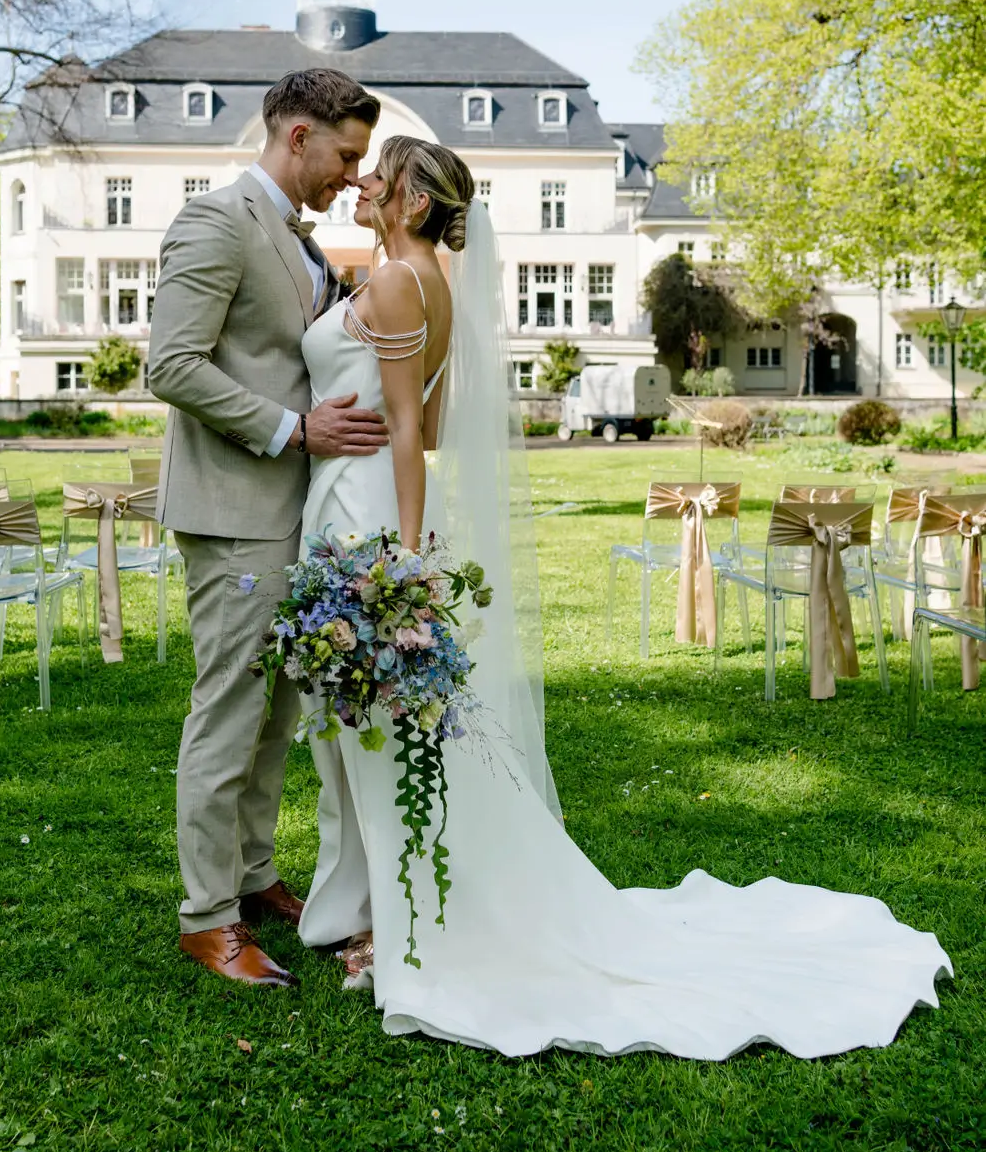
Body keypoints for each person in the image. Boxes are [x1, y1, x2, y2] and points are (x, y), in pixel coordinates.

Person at [295, 134, 951, 1059]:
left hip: (370, 513)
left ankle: (398, 921)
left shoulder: (401, 283)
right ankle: (379, 907)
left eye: (379, 175)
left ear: (408, 201)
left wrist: (404, 559)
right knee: (384, 725)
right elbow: (428, 411)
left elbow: (410, 429)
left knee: (386, 726)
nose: (361, 183)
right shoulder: (417, 280)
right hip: (353, 498)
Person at [147, 68, 388, 988]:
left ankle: (250, 879)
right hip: (235, 512)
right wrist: (293, 430)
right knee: (228, 716)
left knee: (275, 716)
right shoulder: (217, 221)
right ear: (296, 136)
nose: (349, 174)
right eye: (344, 155)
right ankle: (206, 919)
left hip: (295, 516)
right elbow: (171, 365)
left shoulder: (298, 237)